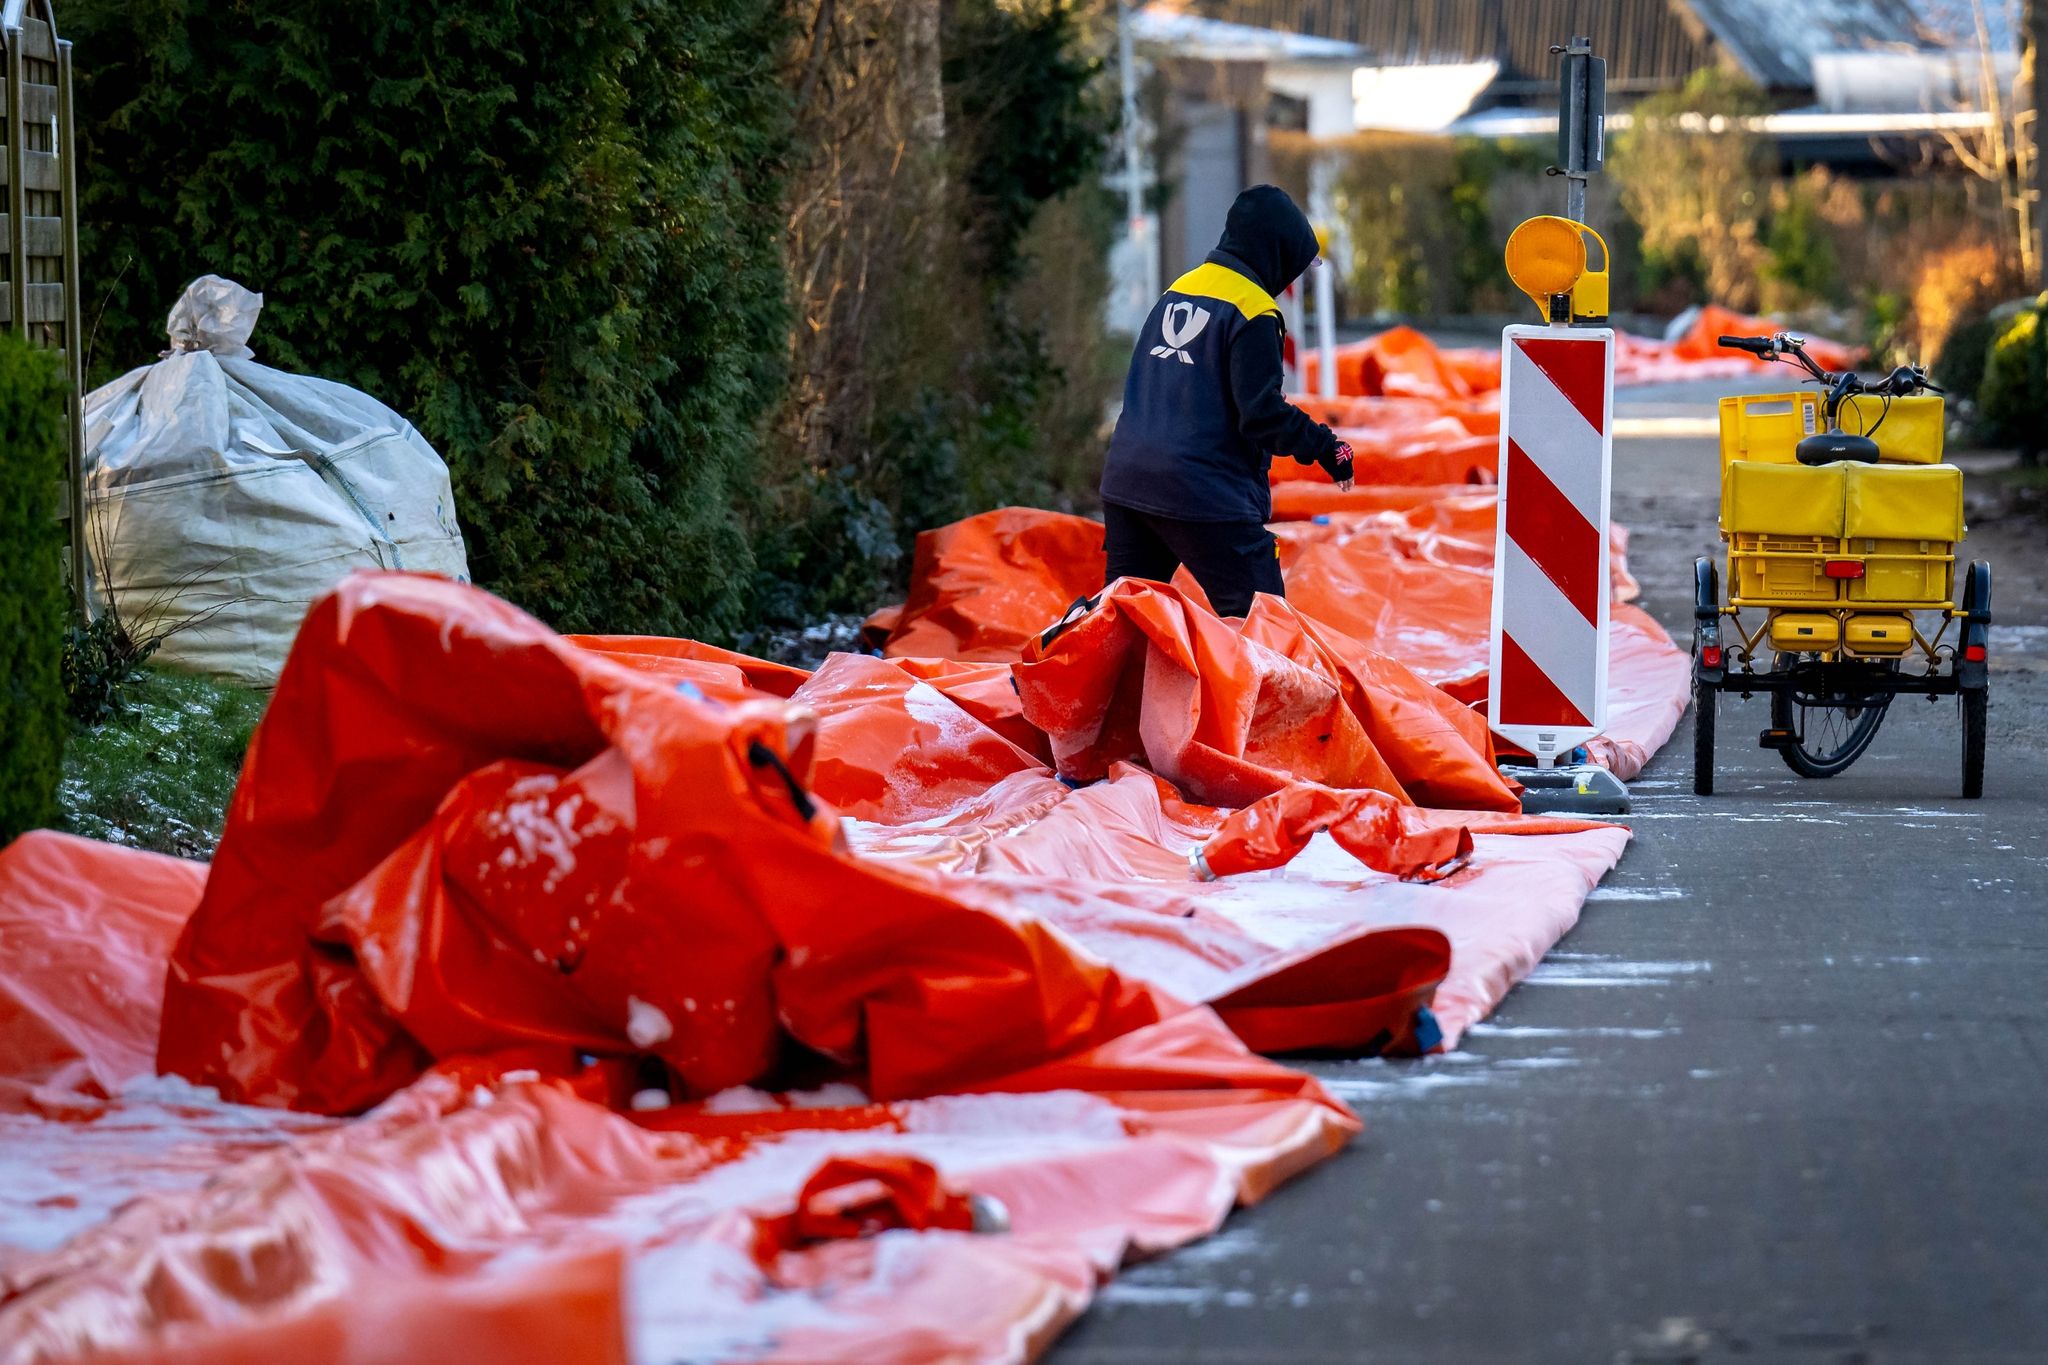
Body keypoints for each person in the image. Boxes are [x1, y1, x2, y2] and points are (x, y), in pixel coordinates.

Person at [1099, 184, 1354, 618]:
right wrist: (1327, 447)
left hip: (1128, 484)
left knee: (1123, 626)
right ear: (1276, 253)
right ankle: (1264, 690)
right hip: (1203, 492)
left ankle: (1086, 686)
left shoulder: (1180, 288)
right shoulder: (1252, 310)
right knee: (1262, 625)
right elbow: (1263, 416)